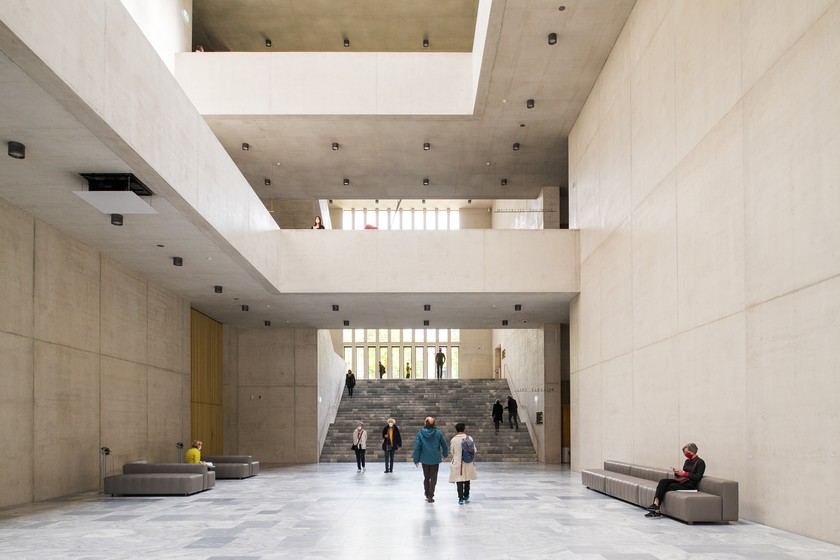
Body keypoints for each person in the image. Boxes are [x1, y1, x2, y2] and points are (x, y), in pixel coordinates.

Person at [645, 443, 706, 518]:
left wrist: (684, 473)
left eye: (686, 452)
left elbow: (697, 477)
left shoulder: (700, 462)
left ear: (692, 451)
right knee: (662, 482)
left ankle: (655, 509)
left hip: (689, 485)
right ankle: (655, 506)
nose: (685, 454)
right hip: (682, 481)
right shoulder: (687, 461)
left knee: (667, 486)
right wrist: (678, 473)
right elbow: (683, 475)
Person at [413, 417, 449, 503]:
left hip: (424, 458)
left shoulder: (420, 433)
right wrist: (445, 454)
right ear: (434, 423)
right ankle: (430, 495)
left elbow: (417, 447)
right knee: (433, 477)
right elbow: (444, 445)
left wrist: (416, 459)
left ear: (425, 423)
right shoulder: (438, 433)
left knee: (426, 477)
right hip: (435, 458)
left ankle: (426, 493)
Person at [449, 423, 478, 504]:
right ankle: (466, 495)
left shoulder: (454, 439)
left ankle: (460, 498)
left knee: (459, 480)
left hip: (458, 462)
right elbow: (474, 450)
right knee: (467, 479)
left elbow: (452, 452)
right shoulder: (469, 438)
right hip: (468, 462)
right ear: (464, 429)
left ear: (456, 429)